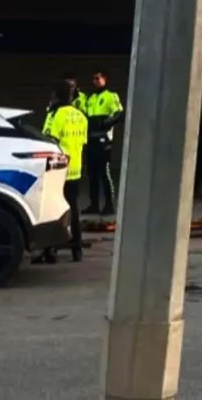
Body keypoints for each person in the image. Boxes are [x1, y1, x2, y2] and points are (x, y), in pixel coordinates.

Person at [37, 83, 88, 263]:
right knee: (73, 209)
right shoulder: (81, 116)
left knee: (53, 209)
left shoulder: (56, 115)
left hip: (59, 170)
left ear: (57, 97)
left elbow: (48, 140)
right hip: (76, 168)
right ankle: (77, 249)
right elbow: (82, 141)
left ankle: (50, 251)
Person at [82, 71, 124, 216]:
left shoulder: (111, 96)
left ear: (105, 79)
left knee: (104, 173)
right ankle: (94, 205)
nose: (96, 81)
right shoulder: (90, 98)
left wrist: (106, 123)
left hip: (104, 139)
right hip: (91, 139)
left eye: (98, 78)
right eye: (94, 78)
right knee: (92, 173)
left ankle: (109, 205)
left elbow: (119, 113)